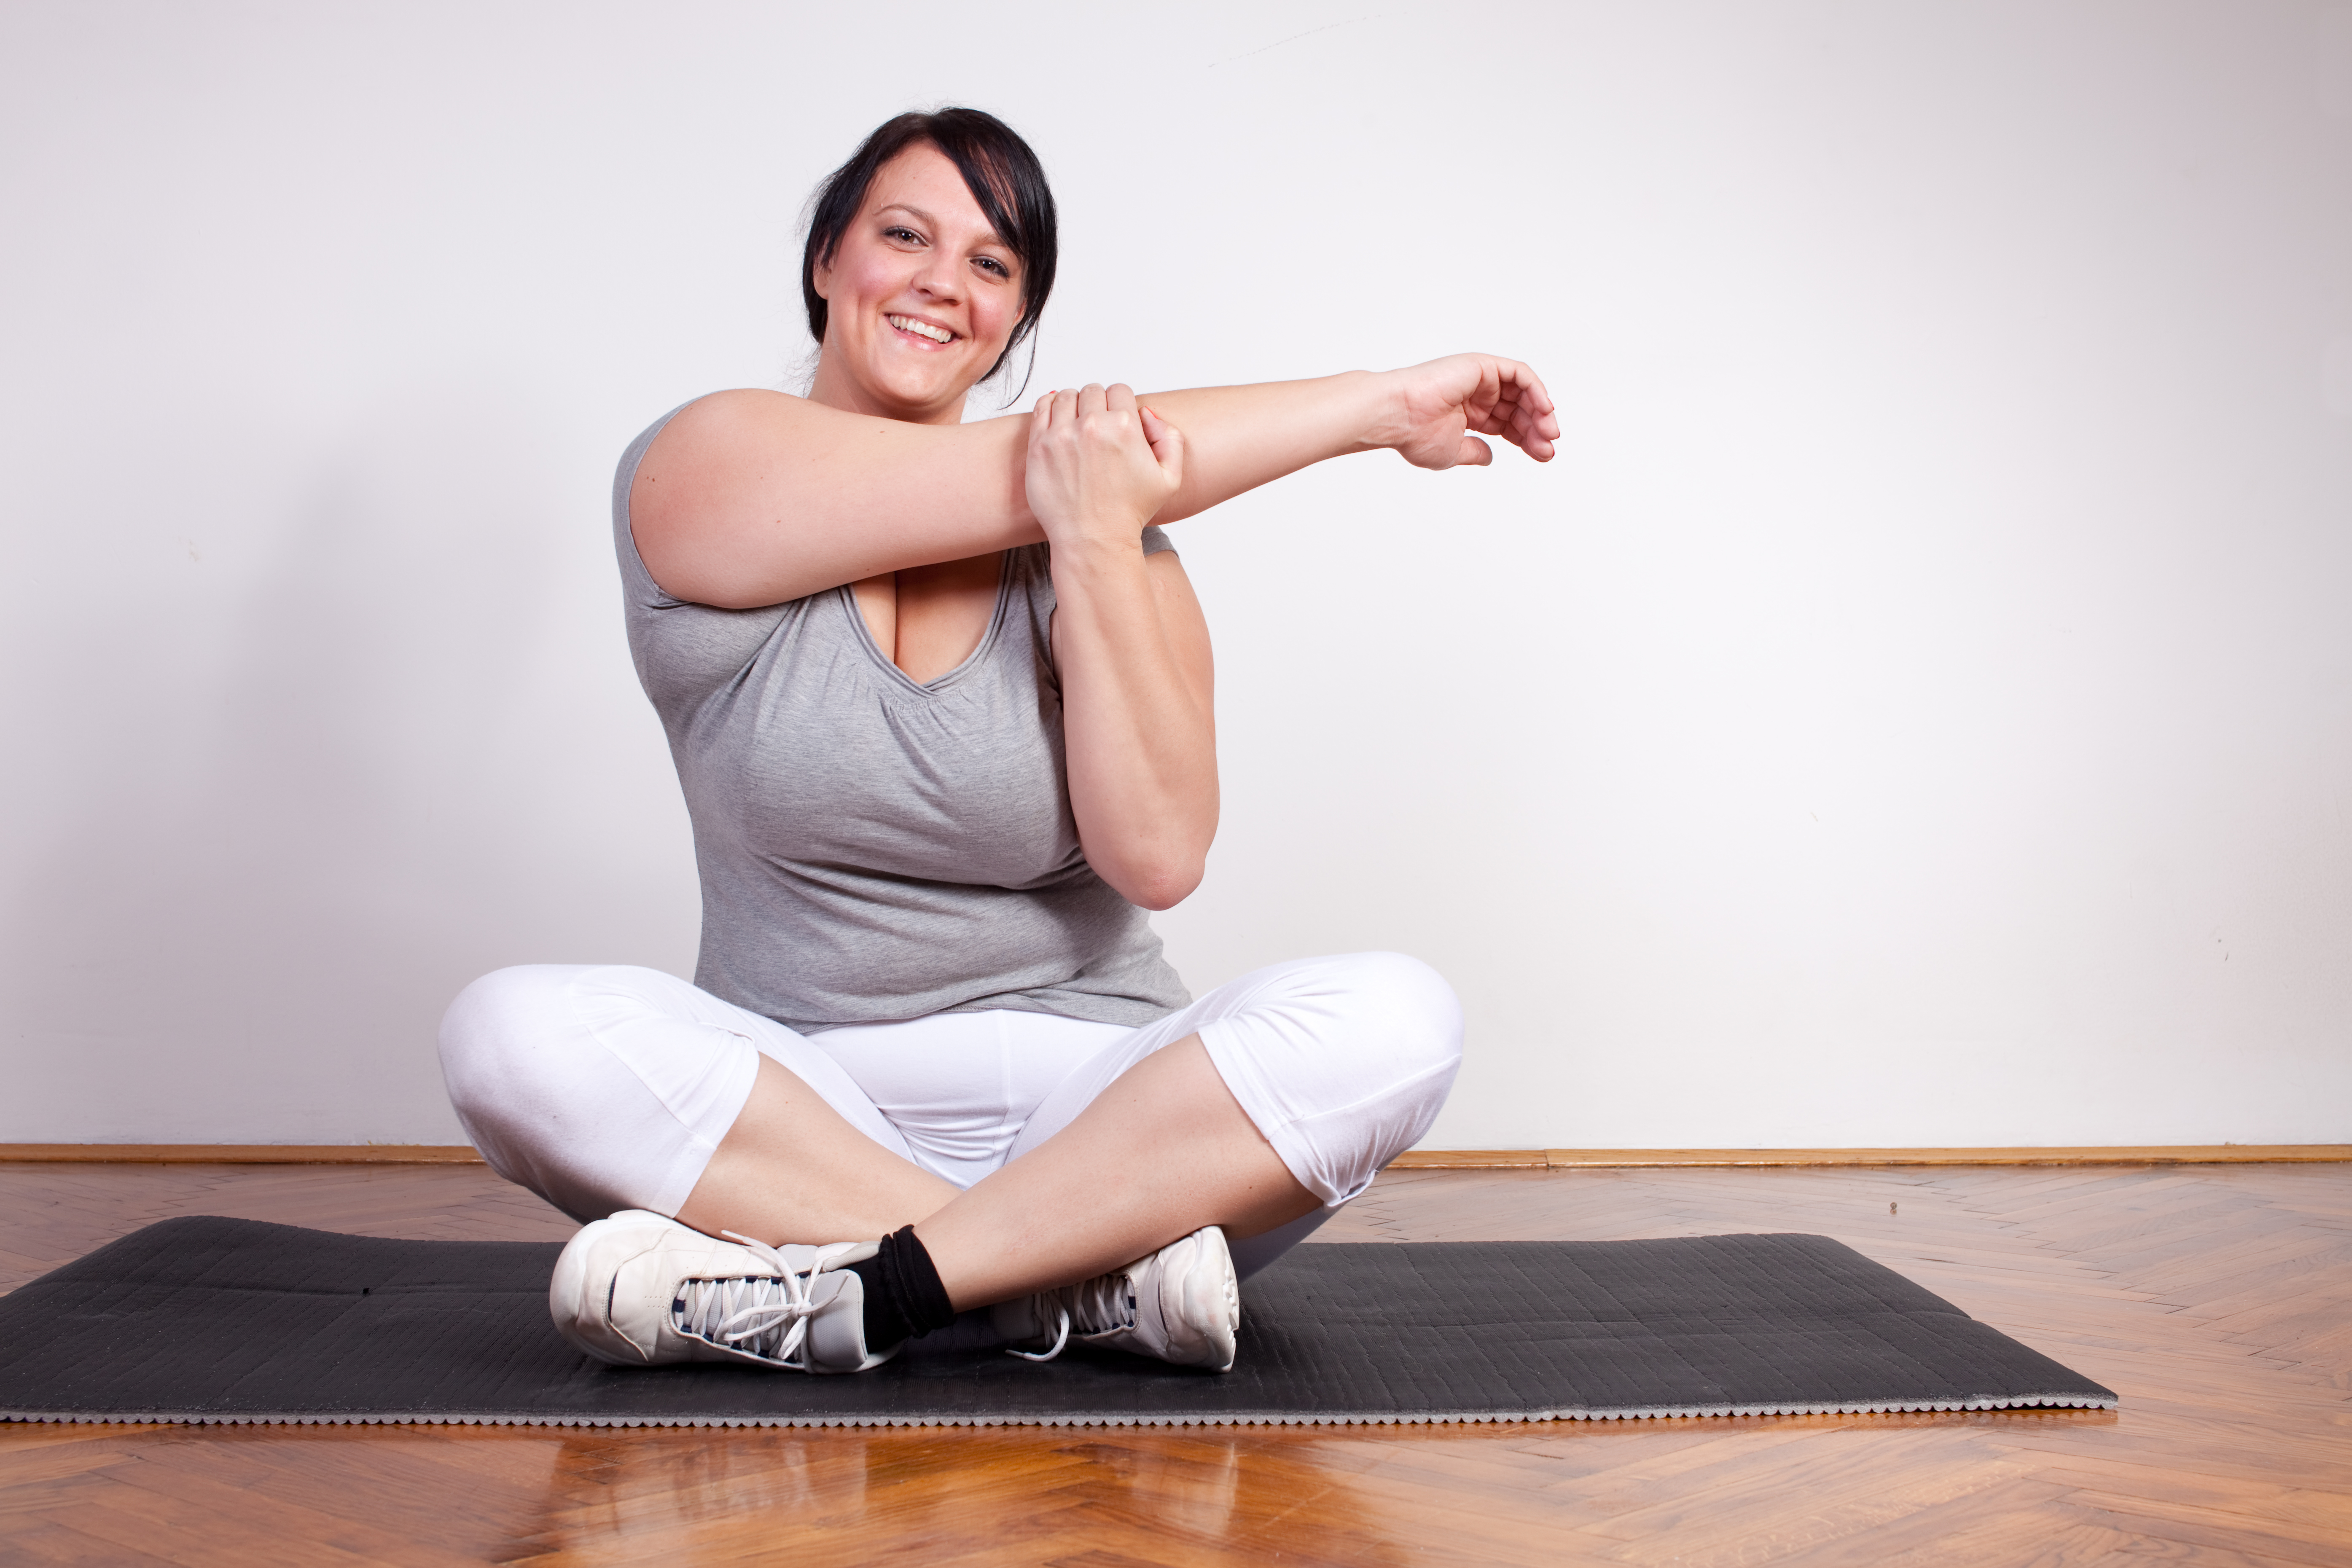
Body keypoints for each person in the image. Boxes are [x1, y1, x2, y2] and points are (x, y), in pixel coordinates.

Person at [437, 107, 1559, 1376]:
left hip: (1117, 1122)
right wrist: (1374, 406)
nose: (940, 285)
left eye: (991, 265)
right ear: (825, 261)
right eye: (903, 235)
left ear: (1016, 320)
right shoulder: (704, 463)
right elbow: (1031, 472)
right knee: (507, 1033)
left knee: (1398, 1018)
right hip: (800, 1120)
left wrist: (1090, 542)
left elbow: (1158, 859)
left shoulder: (1117, 540)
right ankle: (1055, 1284)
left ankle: (860, 1290)